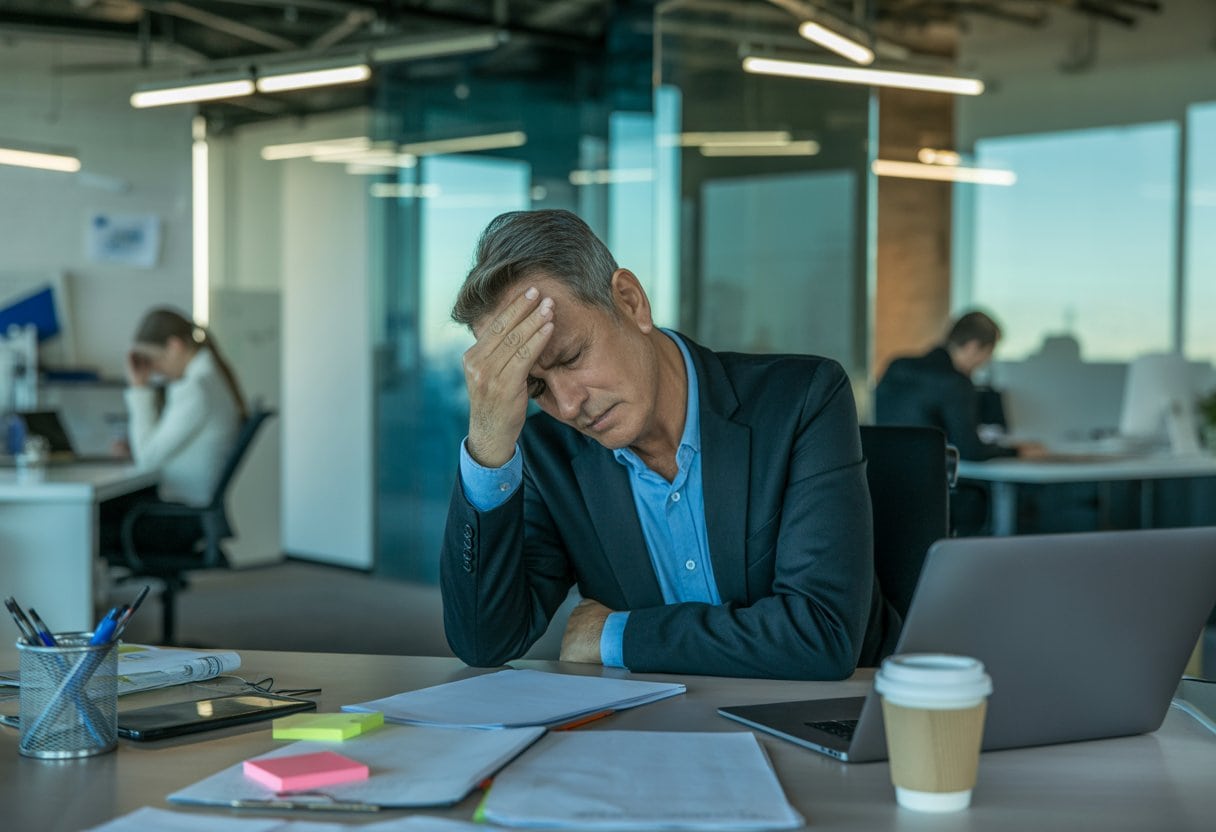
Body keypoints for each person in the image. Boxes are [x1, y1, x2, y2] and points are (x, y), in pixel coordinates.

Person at [440, 209, 898, 680]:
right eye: (535, 388)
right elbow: (484, 640)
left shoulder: (802, 401)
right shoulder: (546, 456)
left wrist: (615, 635)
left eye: (573, 357)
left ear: (630, 300)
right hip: (654, 732)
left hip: (830, 721)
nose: (569, 403)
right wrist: (488, 447)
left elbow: (821, 635)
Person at [100, 308, 246, 557]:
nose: (154, 370)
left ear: (175, 346)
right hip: (188, 510)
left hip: (179, 516)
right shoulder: (208, 379)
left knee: (91, 518)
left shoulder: (195, 389)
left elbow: (147, 458)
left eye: (153, 360)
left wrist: (139, 389)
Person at [874, 311, 1045, 461]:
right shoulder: (956, 383)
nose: (984, 363)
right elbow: (970, 450)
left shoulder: (897, 366)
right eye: (987, 354)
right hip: (928, 482)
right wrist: (1017, 451)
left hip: (883, 472)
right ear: (973, 347)